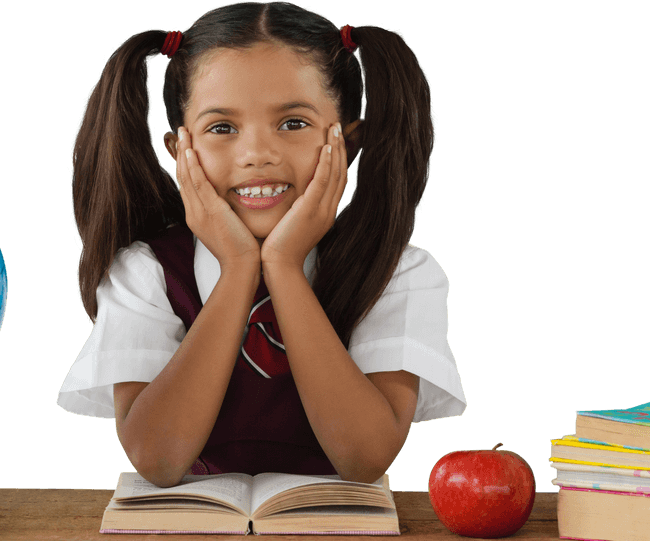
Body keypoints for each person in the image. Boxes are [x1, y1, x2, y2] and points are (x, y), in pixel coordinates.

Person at [58, 1, 465, 488]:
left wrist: (285, 268)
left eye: (293, 123)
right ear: (179, 151)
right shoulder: (146, 271)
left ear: (348, 143)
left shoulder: (399, 273)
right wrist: (237, 269)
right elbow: (158, 459)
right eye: (221, 128)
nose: (256, 155)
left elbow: (365, 458)